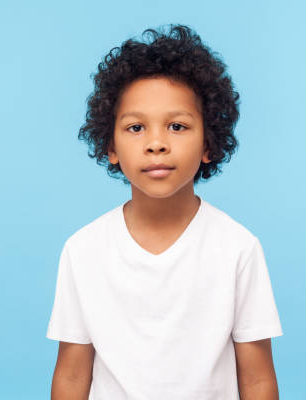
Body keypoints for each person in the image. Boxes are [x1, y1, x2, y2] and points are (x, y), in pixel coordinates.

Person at [46, 24, 283, 400]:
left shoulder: (238, 248)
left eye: (177, 126)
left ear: (208, 143)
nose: (156, 143)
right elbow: (73, 375)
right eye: (136, 127)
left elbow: (256, 379)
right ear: (111, 146)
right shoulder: (83, 249)